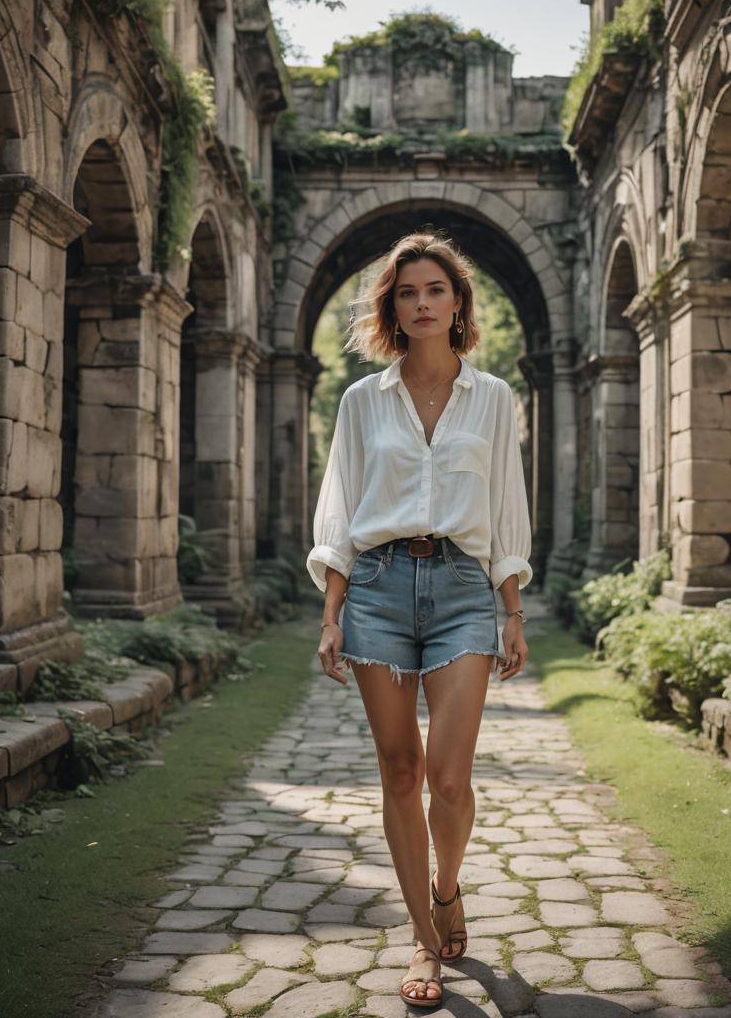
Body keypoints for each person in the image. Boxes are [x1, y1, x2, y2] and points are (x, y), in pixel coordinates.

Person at [307, 231, 532, 1009]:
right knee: (400, 771)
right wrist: (332, 614)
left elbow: (507, 505)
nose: (423, 303)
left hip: (464, 589)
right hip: (375, 587)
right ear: (391, 308)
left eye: (436, 289)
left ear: (458, 302)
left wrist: (512, 607)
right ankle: (423, 941)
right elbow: (339, 510)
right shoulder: (361, 401)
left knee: (450, 778)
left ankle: (445, 885)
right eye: (407, 292)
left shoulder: (494, 398)